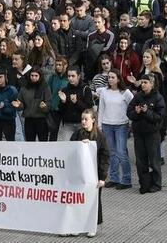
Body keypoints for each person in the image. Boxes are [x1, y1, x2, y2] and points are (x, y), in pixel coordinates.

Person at [70, 109, 109, 237]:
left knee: (94, 200)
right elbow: (69, 149)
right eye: (82, 119)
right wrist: (79, 145)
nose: (83, 122)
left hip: (95, 173)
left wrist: (102, 177)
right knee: (79, 199)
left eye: (86, 119)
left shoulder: (100, 136)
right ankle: (79, 225)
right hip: (80, 173)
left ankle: (93, 225)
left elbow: (105, 157)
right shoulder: (77, 134)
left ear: (93, 120)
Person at [127, 74, 165, 194]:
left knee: (154, 160)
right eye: (142, 82)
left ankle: (156, 184)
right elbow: (129, 112)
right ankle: (144, 183)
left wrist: (147, 111)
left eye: (145, 82)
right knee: (140, 161)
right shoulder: (138, 96)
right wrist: (136, 112)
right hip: (139, 133)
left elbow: (159, 117)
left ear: (152, 84)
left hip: (152, 133)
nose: (143, 85)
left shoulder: (158, 97)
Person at [96, 69, 134, 189]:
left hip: (121, 125)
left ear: (118, 79)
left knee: (121, 152)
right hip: (107, 124)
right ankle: (114, 178)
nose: (110, 79)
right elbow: (101, 109)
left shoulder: (125, 92)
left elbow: (133, 104)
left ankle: (126, 180)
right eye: (109, 77)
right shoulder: (104, 92)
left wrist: (130, 121)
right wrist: (99, 125)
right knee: (111, 153)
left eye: (113, 77)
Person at [13, 67, 51, 141]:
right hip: (29, 119)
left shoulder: (45, 87)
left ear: (40, 76)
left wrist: (44, 106)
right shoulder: (24, 88)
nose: (34, 78)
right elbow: (21, 104)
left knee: (43, 143)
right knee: (29, 142)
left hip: (41, 119)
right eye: (32, 75)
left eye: (36, 76)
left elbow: (49, 103)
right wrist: (18, 105)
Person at [58, 67, 94, 140]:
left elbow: (88, 108)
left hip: (82, 123)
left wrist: (77, 102)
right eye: (69, 76)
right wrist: (63, 101)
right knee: (67, 145)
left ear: (79, 76)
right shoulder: (65, 90)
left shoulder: (86, 89)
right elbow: (60, 110)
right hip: (68, 124)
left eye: (73, 76)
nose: (70, 78)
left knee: (82, 145)